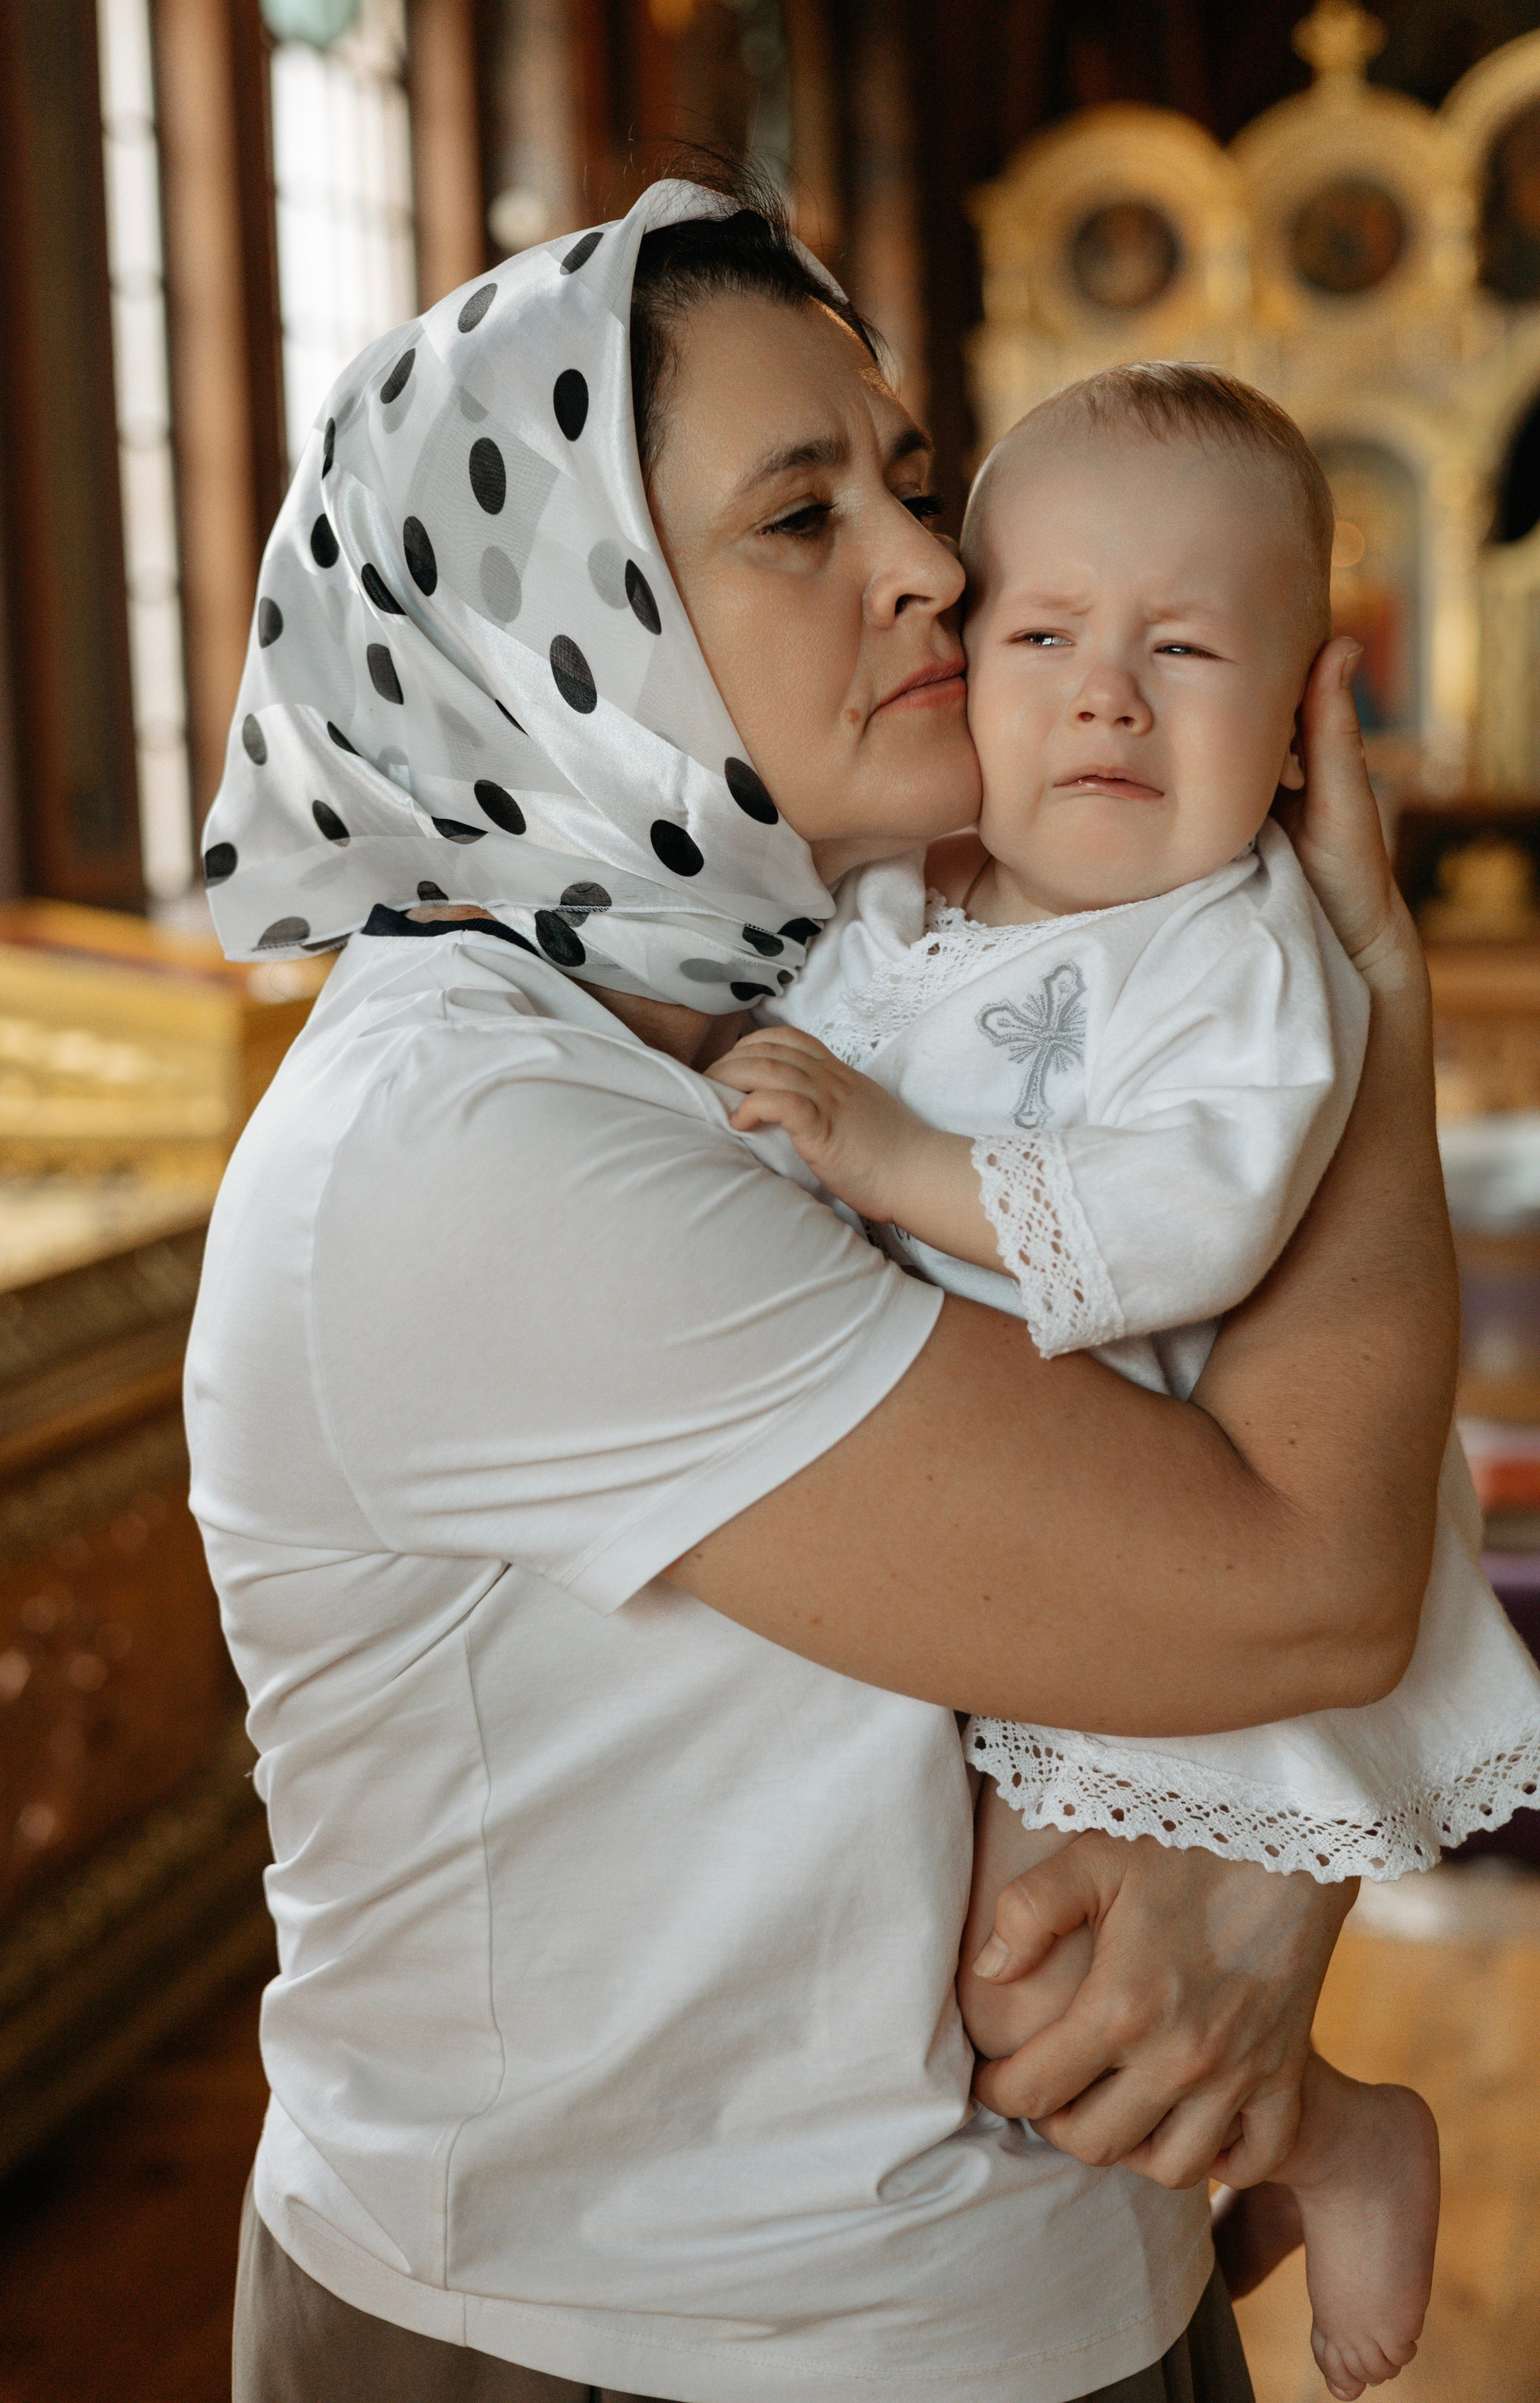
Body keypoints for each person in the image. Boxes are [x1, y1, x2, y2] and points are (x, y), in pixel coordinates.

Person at [187, 177, 1458, 2403]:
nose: (938, 567)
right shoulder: (473, 1145)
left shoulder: (848, 974)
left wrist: (1272, 1893)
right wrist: (1368, 990)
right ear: (549, 620)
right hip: (656, 2350)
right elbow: (1295, 1573)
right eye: (800, 516)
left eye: (907, 477)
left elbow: (1224, 1429)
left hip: (1064, 2281)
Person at [711, 360, 1540, 2399]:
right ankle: (1255, 2162)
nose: (1106, 696)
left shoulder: (1240, 957)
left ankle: (1340, 2143)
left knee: (1027, 1975)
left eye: (1185, 652)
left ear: (1295, 728)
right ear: (957, 671)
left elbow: (1196, 1220)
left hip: (1169, 1557)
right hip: (992, 1538)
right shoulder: (889, 912)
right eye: (1046, 636)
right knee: (992, 1973)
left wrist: (897, 1163)